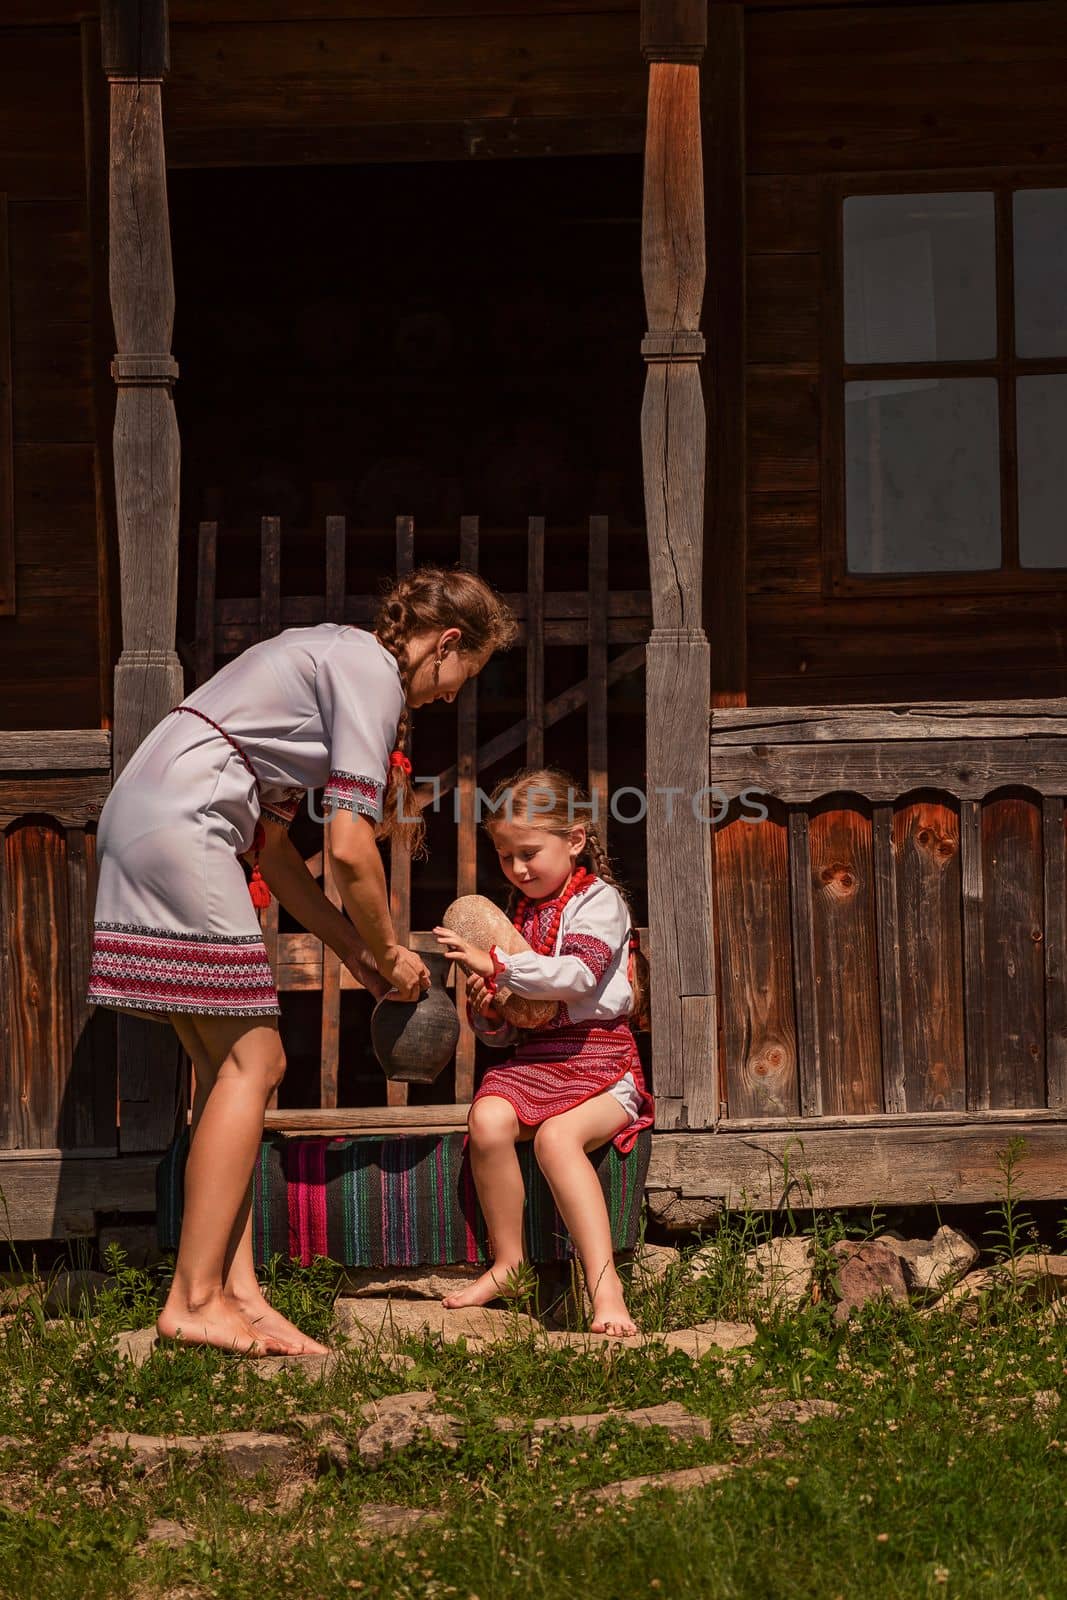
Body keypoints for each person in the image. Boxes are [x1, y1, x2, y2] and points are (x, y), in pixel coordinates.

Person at [87, 566, 516, 1355]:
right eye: (464, 674)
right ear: (446, 643)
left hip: (156, 813)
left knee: (226, 1076)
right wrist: (389, 946)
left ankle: (240, 1294)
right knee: (259, 1062)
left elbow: (280, 857)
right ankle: (192, 1299)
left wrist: (356, 955)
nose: (451, 695)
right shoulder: (369, 674)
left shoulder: (330, 659)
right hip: (186, 823)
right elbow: (350, 851)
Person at [433, 767, 653, 1337]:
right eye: (507, 857)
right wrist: (490, 1008)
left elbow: (578, 977)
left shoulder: (599, 904)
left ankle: (605, 1287)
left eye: (529, 853)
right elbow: (518, 1024)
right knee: (486, 1119)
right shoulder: (522, 914)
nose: (518, 869)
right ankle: (508, 1263)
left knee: (557, 1139)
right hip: (538, 1062)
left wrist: (499, 966)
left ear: (575, 839)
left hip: (604, 1066)